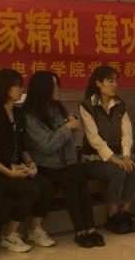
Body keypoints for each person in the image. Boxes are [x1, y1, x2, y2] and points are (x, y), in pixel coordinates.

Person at [23, 70, 104, 249]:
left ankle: (91, 228)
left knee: (79, 176)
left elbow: (72, 132)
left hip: (65, 162)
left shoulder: (57, 107)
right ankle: (80, 230)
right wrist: (67, 128)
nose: (58, 89)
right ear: (43, 89)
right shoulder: (29, 115)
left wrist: (70, 124)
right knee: (70, 179)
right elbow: (46, 144)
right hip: (44, 165)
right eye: (54, 86)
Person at [0, 69, 55, 253]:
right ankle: (9, 234)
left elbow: (22, 147)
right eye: (18, 86)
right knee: (31, 188)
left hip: (16, 168)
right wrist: (10, 173)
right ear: (5, 89)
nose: (22, 90)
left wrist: (31, 163)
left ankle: (34, 229)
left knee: (45, 184)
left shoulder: (19, 114)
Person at [79, 66, 135, 235]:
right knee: (118, 171)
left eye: (116, 81)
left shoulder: (120, 104)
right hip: (92, 159)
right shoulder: (87, 106)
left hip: (118, 156)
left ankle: (125, 214)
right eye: (110, 81)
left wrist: (127, 156)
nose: (115, 85)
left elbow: (126, 132)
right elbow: (94, 139)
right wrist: (116, 160)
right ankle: (112, 216)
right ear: (99, 83)